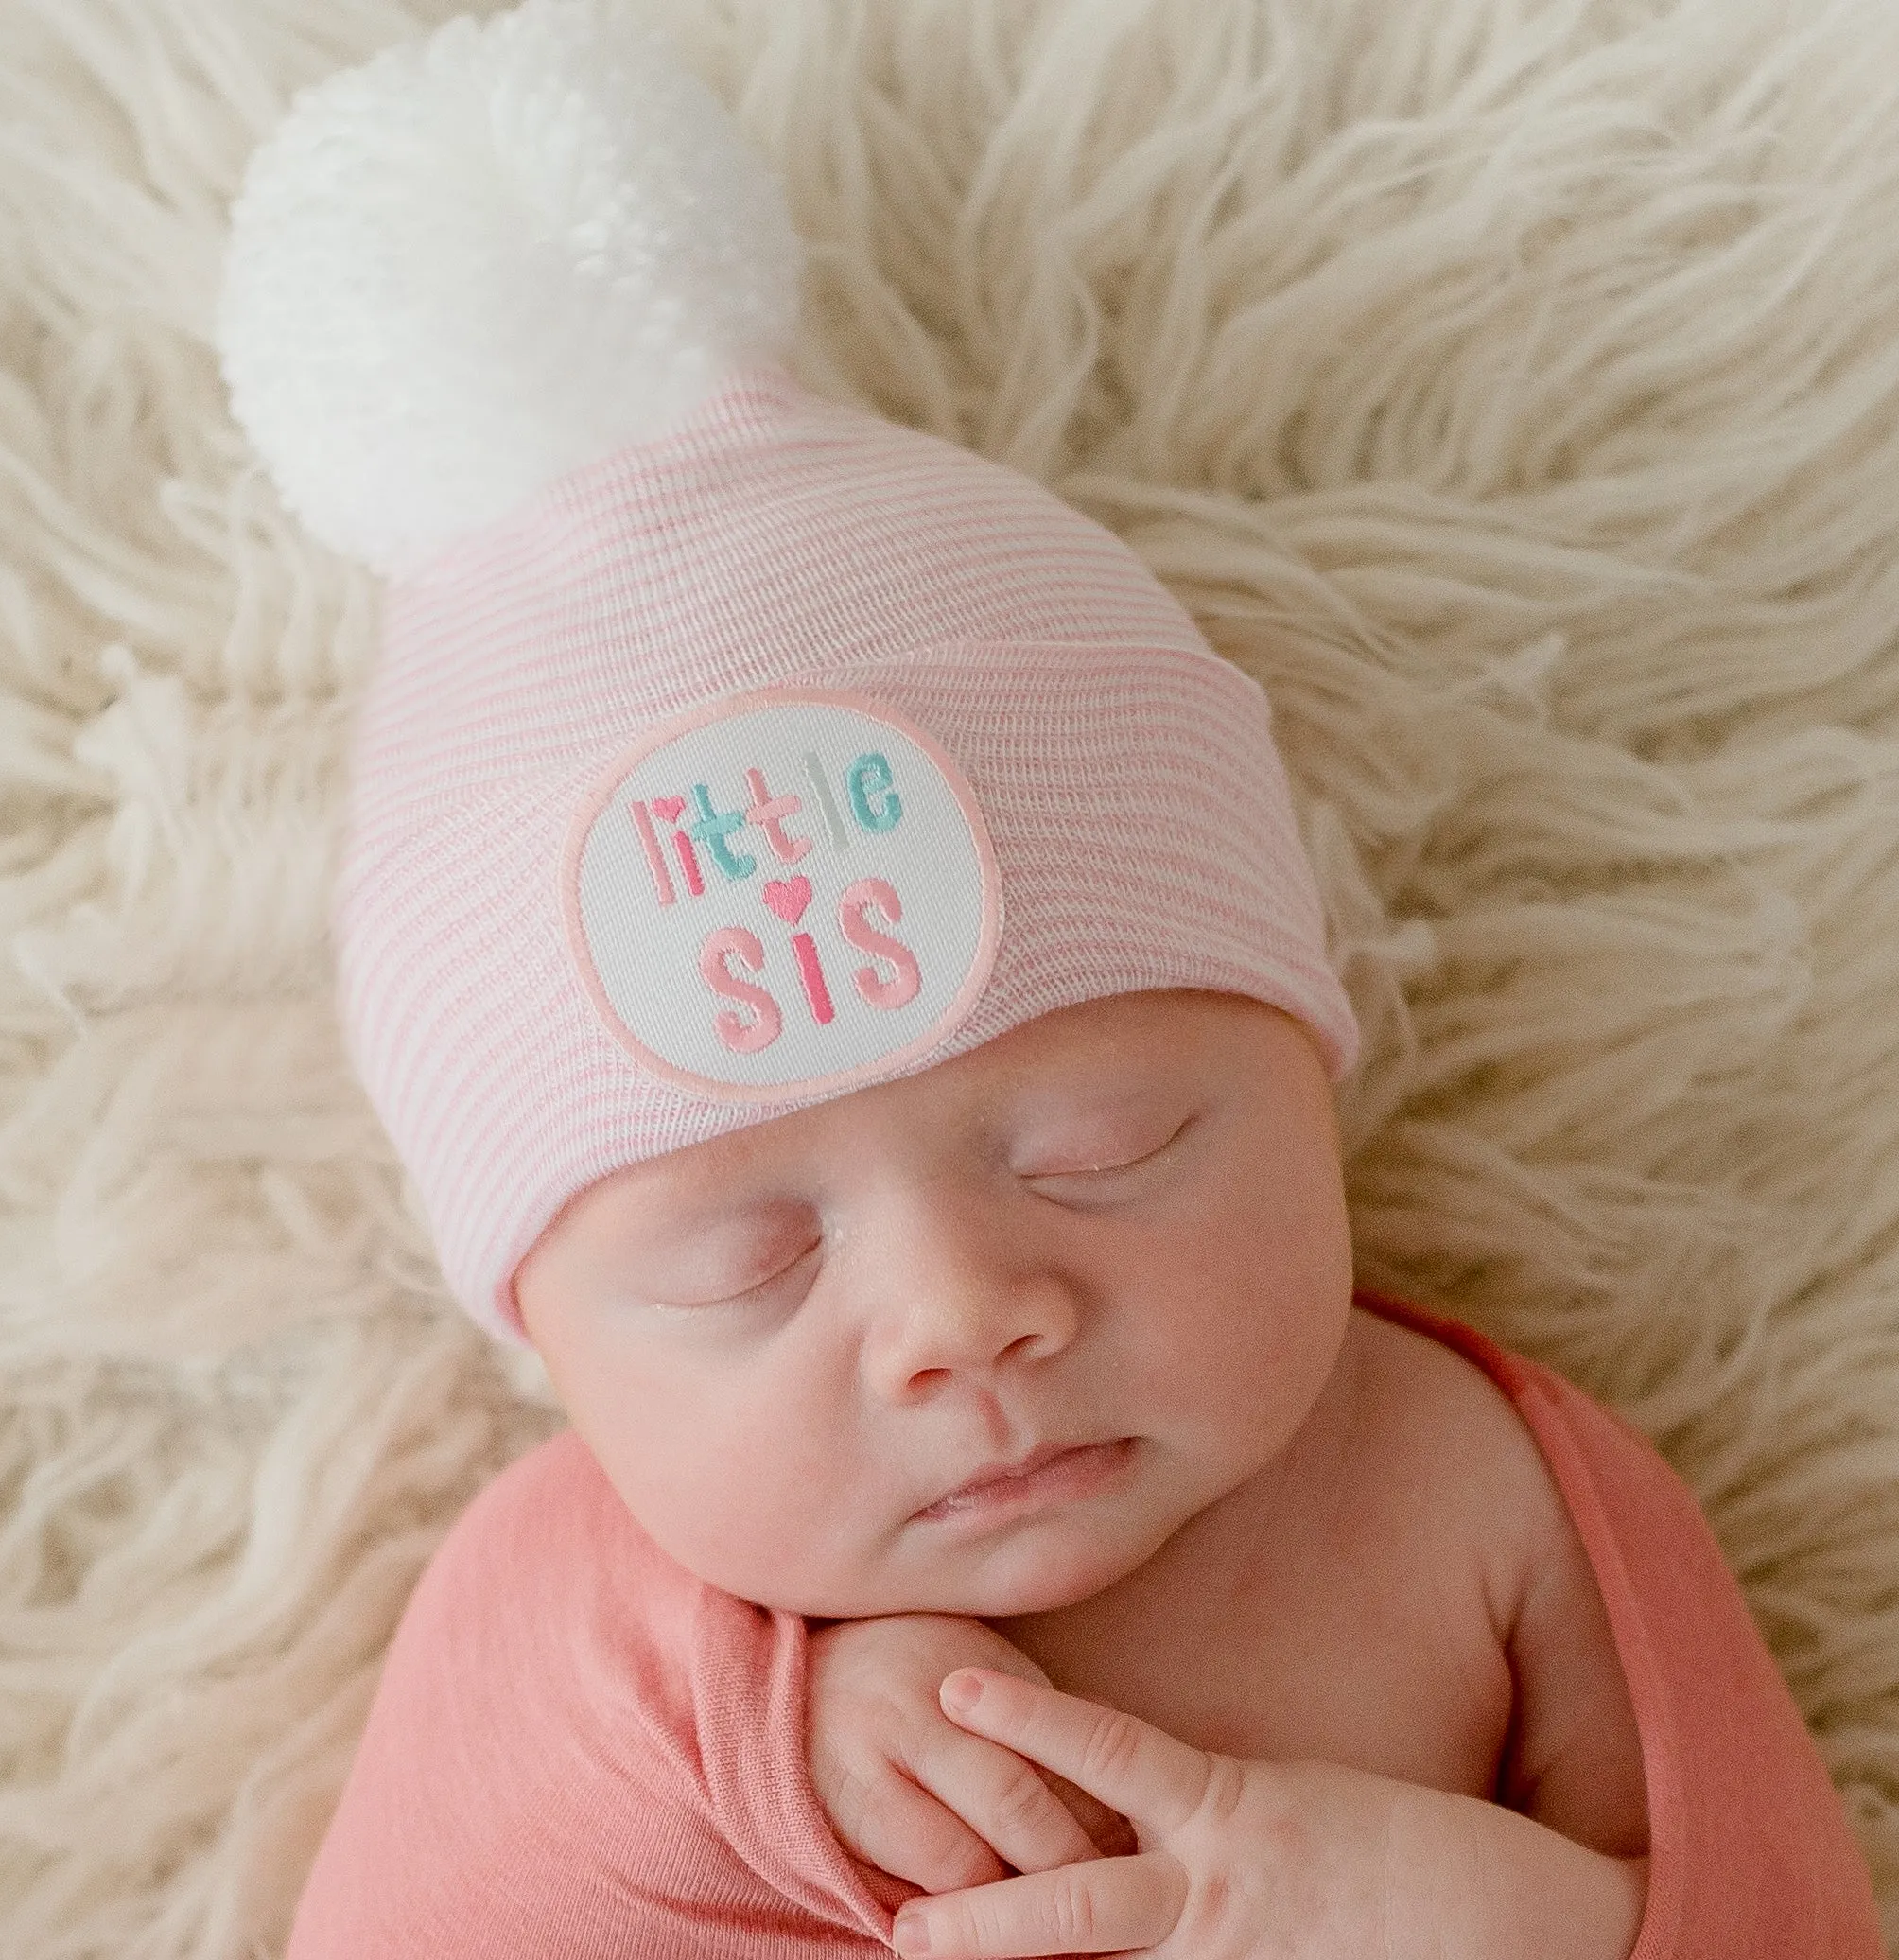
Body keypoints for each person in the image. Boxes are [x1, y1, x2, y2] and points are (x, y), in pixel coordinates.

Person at [215, 5, 1883, 1954]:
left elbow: (1791, 1911)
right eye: (741, 1262)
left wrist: (1509, 1917)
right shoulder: (577, 1625)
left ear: (1299, 1059)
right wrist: (744, 1744)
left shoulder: (1483, 1501)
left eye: (1105, 1144)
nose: (957, 1315)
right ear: (550, 1340)